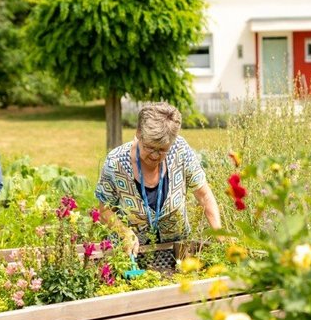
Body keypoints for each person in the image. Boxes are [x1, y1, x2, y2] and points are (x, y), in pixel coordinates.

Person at [95, 102, 221, 254]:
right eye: (149, 147)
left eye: (162, 150)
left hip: (178, 252)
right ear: (138, 133)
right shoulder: (115, 163)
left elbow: (204, 195)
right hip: (131, 255)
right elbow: (104, 210)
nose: (155, 155)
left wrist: (220, 234)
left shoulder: (180, 150)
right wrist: (125, 233)